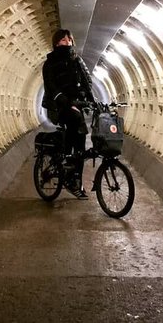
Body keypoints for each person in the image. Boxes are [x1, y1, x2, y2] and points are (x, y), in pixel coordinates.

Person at [42, 29, 95, 199]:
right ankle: (66, 157)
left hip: (76, 105)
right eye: (63, 40)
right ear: (56, 43)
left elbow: (87, 82)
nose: (68, 42)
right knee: (75, 119)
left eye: (69, 40)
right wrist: (67, 102)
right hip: (57, 107)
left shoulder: (77, 60)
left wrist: (90, 100)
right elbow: (51, 87)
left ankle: (76, 182)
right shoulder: (49, 63)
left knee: (81, 144)